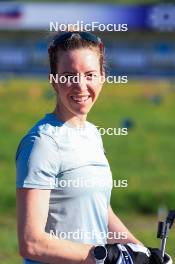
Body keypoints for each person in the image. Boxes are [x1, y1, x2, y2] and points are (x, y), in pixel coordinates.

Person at [16, 31, 171, 264]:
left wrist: (143, 253)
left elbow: (99, 210)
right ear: (53, 79)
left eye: (90, 75)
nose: (80, 86)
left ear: (102, 77)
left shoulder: (92, 134)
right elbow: (32, 243)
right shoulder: (42, 143)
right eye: (68, 75)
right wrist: (106, 256)